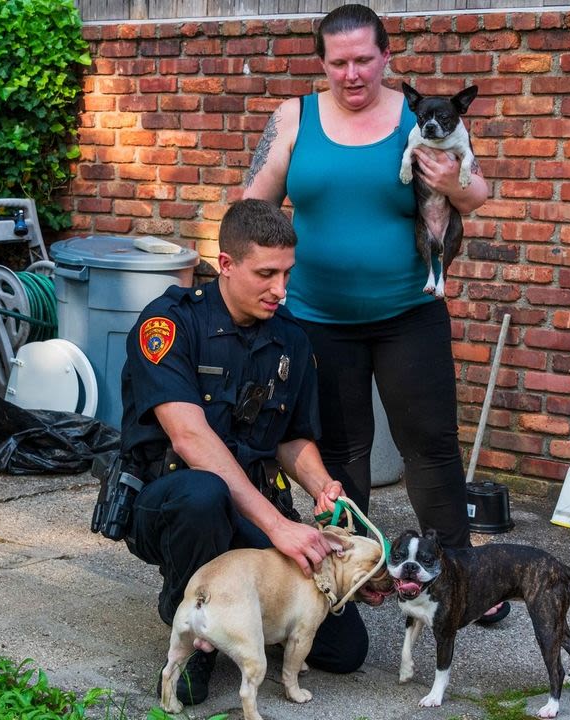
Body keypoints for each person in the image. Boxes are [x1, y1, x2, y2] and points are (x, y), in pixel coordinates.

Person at [241, 4, 509, 625]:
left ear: (387, 57)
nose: (352, 74)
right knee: (340, 454)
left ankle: (462, 579)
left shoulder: (419, 119)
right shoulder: (294, 117)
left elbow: (477, 193)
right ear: (322, 62)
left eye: (364, 59)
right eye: (338, 62)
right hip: (314, 318)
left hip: (408, 312)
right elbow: (252, 205)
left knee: (431, 448)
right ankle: (348, 578)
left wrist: (452, 177)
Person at [118, 198, 368, 707]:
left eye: (287, 273)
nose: (281, 289)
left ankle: (249, 616)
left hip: (254, 504)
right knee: (204, 492)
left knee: (345, 652)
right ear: (226, 265)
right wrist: (277, 528)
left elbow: (292, 438)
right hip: (171, 505)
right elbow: (189, 439)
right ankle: (191, 620)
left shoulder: (290, 339)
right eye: (266, 274)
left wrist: (322, 486)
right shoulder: (169, 324)